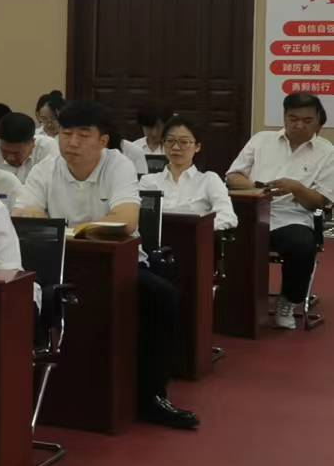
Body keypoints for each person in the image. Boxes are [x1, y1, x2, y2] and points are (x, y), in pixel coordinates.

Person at [13, 101, 197, 429]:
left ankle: (153, 395)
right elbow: (26, 214)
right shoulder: (46, 168)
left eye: (83, 135)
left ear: (103, 140)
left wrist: (66, 229)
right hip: (60, 264)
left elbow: (125, 220)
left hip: (120, 264)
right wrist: (77, 229)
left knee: (163, 297)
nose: (72, 142)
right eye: (66, 133)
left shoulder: (118, 165)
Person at [226, 92, 334, 330]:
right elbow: (233, 177)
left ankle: (289, 300)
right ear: (284, 117)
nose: (299, 125)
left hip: (292, 218)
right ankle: (229, 298)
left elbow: (319, 202)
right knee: (217, 234)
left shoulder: (327, 152)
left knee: (302, 244)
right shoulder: (261, 140)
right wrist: (258, 188)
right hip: (252, 211)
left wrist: (296, 188)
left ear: (318, 120)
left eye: (307, 120)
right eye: (293, 119)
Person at [141, 117, 236, 232]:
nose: (176, 147)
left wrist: (197, 228)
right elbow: (140, 217)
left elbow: (228, 216)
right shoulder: (148, 182)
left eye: (184, 142)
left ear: (197, 147)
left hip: (194, 239)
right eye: (170, 141)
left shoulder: (209, 180)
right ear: (163, 144)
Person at [0, 112, 59, 178]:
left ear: (32, 143)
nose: (10, 158)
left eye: (16, 153)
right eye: (4, 151)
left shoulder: (47, 148)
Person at [122, 104, 168, 175]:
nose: (154, 133)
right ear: (142, 126)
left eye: (159, 127)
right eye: (149, 128)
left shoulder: (173, 149)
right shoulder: (133, 149)